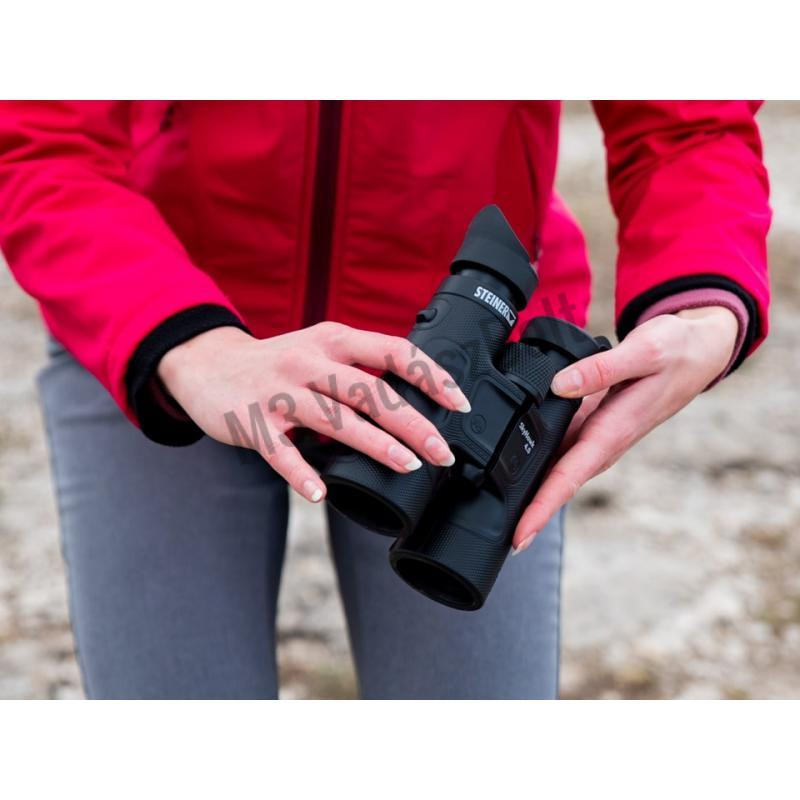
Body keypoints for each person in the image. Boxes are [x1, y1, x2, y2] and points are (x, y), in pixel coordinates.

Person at [0, 101, 770, 699]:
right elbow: (40, 135)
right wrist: (186, 343)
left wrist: (703, 296)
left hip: (470, 342)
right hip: (166, 320)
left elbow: (687, 120)